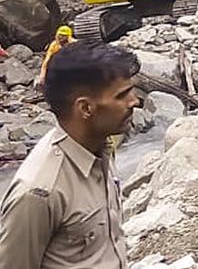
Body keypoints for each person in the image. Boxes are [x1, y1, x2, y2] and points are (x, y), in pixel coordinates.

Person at [0, 42, 141, 268]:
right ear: (85, 108)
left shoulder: (101, 147)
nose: (134, 101)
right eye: (122, 95)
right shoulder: (39, 192)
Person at [36, 26, 77, 93]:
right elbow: (47, 61)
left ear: (68, 36)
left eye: (64, 36)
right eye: (60, 35)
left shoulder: (75, 44)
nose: (61, 37)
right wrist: (42, 75)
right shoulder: (54, 45)